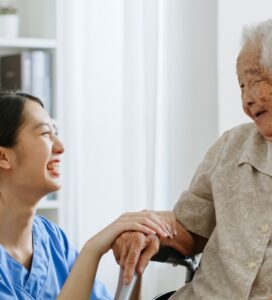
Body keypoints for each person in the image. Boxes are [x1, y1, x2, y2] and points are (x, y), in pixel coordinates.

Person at [112, 14, 272, 299]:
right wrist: (147, 230)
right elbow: (189, 226)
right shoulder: (232, 145)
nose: (246, 101)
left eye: (254, 82)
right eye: (241, 86)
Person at [0, 91, 174, 299]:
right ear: (3, 156)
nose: (61, 147)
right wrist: (93, 249)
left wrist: (134, 262)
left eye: (56, 132)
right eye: (46, 133)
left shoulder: (53, 240)